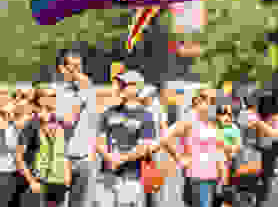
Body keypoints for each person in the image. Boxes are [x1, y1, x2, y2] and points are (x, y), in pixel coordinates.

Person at [95, 70, 157, 207]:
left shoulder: (146, 116)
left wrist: (121, 159)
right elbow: (99, 142)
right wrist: (109, 158)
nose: (120, 87)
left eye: (124, 84)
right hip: (107, 175)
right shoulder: (108, 113)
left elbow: (143, 148)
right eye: (120, 84)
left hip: (132, 177)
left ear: (136, 88)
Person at [158, 87, 225, 207]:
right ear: (198, 101)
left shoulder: (212, 123)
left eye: (214, 101)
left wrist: (222, 174)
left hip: (214, 177)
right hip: (197, 177)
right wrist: (179, 158)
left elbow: (217, 149)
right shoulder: (190, 119)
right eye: (209, 100)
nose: (212, 104)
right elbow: (164, 138)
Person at [15, 83, 73, 207]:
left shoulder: (60, 123)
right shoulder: (31, 125)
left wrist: (67, 175)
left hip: (59, 183)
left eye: (55, 96)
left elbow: (64, 151)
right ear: (40, 100)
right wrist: (31, 181)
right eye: (50, 96)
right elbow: (19, 158)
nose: (54, 99)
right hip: (39, 183)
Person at [54, 48, 99, 207]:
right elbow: (69, 121)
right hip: (61, 159)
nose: (78, 73)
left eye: (80, 68)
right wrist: (83, 95)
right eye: (73, 68)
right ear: (62, 68)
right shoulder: (57, 92)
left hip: (84, 160)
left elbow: (95, 123)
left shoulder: (89, 91)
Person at [0, 100, 25, 207]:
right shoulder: (8, 129)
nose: (14, 116)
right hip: (4, 172)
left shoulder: (14, 128)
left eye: (15, 113)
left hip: (13, 172)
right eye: (11, 113)